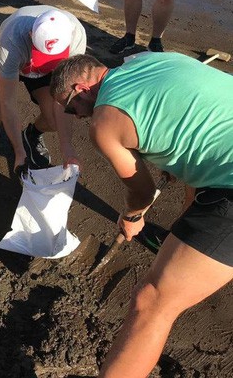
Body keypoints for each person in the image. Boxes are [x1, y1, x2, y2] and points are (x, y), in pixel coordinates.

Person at [50, 52, 232, 378]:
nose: (75, 116)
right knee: (193, 199)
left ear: (81, 88)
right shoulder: (144, 60)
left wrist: (133, 216)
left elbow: (143, 192)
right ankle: (189, 239)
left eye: (70, 107)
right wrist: (176, 160)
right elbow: (185, 110)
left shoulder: (103, 122)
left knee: (151, 304)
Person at [0, 6, 86, 171]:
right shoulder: (12, 38)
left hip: (44, 69)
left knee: (54, 120)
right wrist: (19, 152)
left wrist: (69, 152)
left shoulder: (77, 36)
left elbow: (64, 99)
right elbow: (8, 102)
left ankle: (32, 133)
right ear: (31, 34)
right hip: (12, 58)